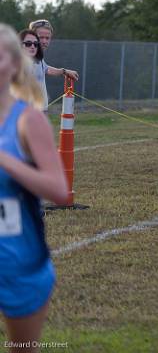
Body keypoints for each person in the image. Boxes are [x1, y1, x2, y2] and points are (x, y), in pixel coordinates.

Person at [0, 23, 69, 353]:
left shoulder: (28, 120)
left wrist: (5, 160)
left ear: (14, 64)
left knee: (22, 348)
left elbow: (58, 190)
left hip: (17, 258)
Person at [27, 20, 79, 108]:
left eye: (47, 38)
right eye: (41, 37)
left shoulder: (38, 57)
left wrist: (64, 71)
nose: (44, 41)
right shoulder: (25, 58)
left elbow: (47, 69)